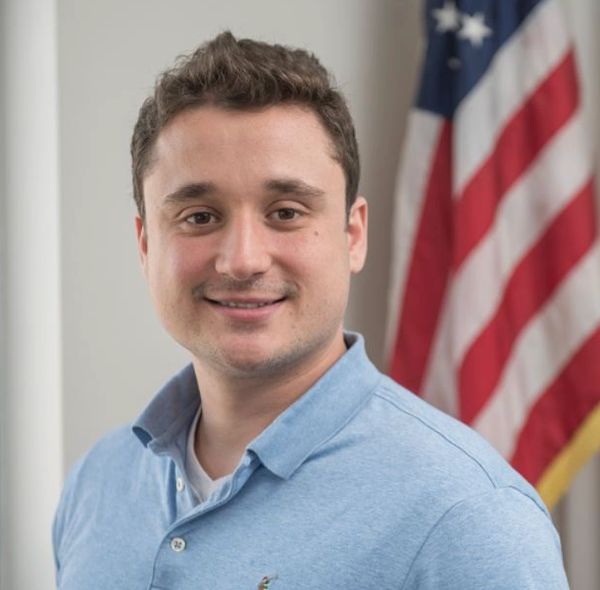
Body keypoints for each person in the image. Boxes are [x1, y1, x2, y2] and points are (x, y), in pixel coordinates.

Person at [52, 31, 569, 589]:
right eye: (199, 217)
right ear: (145, 245)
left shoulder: (469, 519)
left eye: (286, 212)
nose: (243, 260)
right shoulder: (97, 485)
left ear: (353, 235)